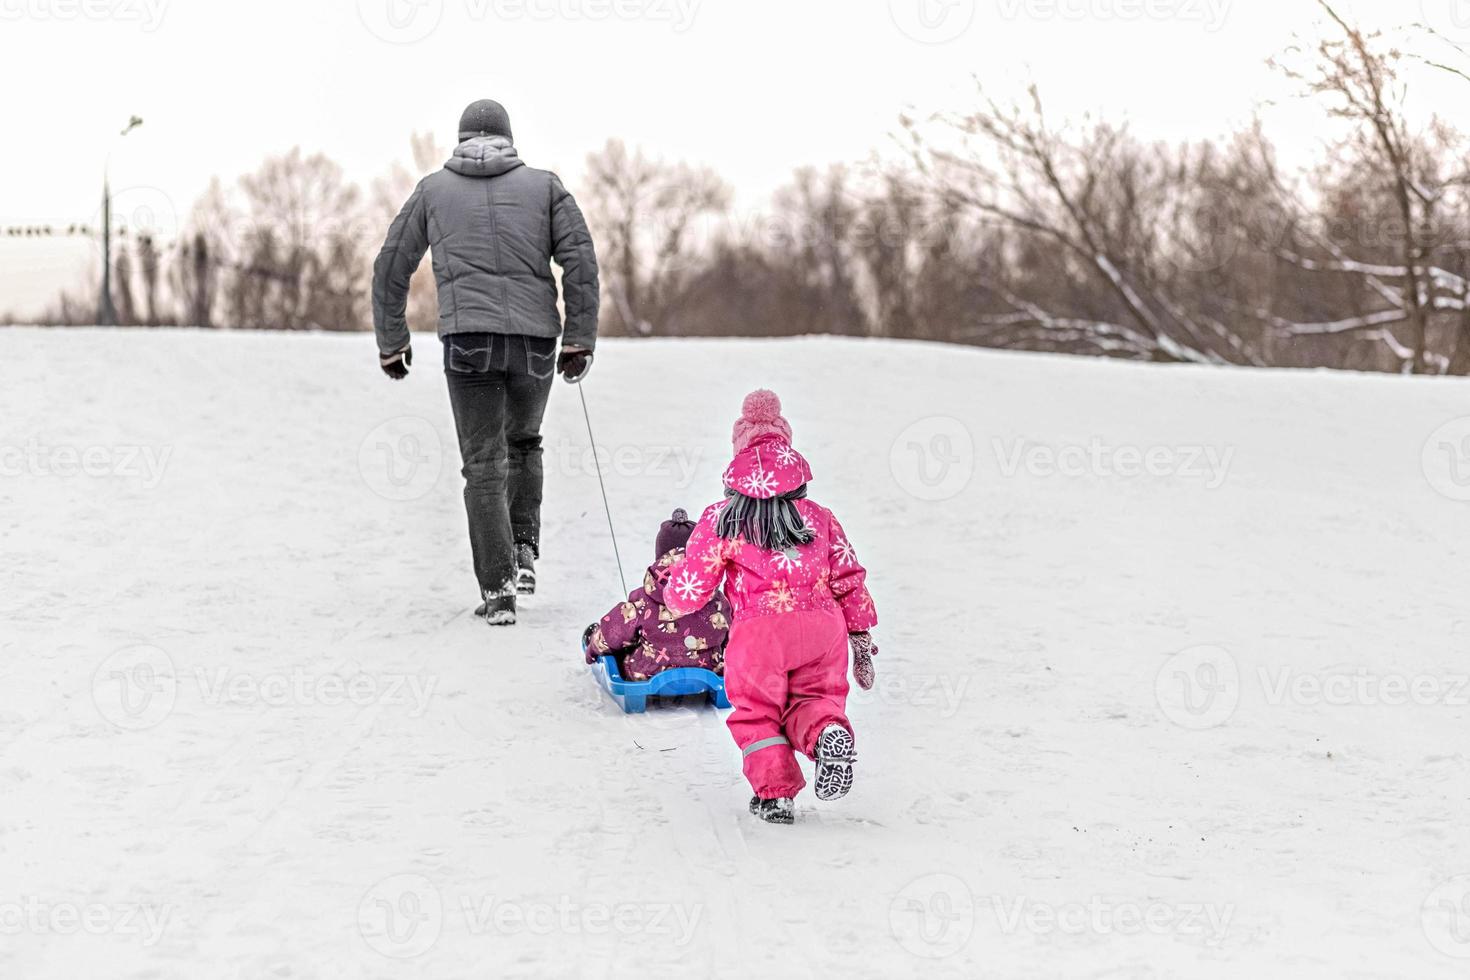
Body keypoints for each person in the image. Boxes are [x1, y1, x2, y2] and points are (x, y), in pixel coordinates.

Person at [372, 98, 599, 626]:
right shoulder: (545, 186)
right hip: (536, 342)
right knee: (524, 441)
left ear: (460, 139)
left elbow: (391, 267)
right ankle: (523, 550)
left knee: (482, 465)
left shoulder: (433, 190)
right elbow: (580, 261)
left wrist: (392, 340)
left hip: (469, 339)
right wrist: (579, 338)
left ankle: (498, 591)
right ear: (508, 137)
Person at [663, 390, 879, 825]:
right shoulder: (818, 516)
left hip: (760, 635)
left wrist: (672, 596)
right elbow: (849, 575)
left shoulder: (722, 518)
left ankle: (776, 793)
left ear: (739, 454)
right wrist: (859, 633)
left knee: (757, 713)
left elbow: (693, 585)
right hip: (823, 629)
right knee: (815, 700)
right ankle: (825, 734)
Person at [582, 509, 731, 681]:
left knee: (624, 645)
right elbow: (734, 636)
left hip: (648, 673)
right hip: (709, 672)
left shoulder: (643, 600)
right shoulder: (718, 601)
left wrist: (593, 647)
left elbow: (613, 632)